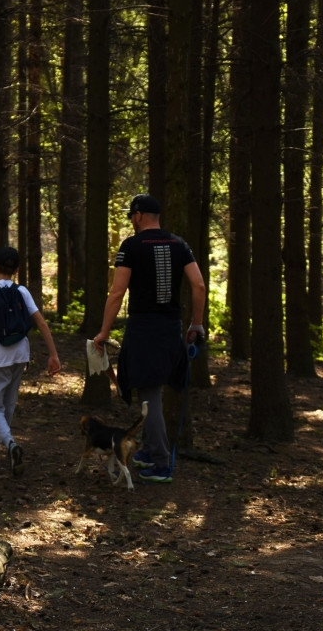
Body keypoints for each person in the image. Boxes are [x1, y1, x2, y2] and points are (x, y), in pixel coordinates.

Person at [92, 194, 206, 483]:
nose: (132, 220)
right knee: (151, 392)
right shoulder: (179, 244)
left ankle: (161, 462)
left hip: (143, 329)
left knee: (149, 396)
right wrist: (196, 324)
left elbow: (117, 292)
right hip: (171, 329)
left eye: (133, 216)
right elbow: (199, 285)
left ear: (139, 215)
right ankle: (149, 450)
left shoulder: (131, 246)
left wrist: (104, 331)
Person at [0, 246, 62, 475]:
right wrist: (53, 354)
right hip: (21, 355)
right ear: (16, 270)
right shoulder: (22, 291)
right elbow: (41, 322)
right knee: (8, 404)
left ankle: (11, 445)